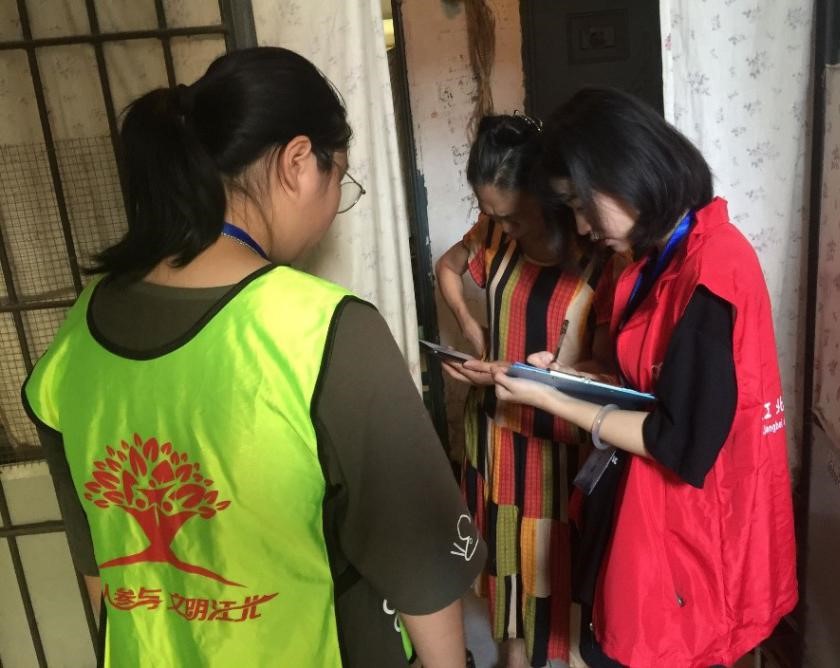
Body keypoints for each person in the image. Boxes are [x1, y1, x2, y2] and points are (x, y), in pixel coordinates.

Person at [22, 47, 484, 668]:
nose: (333, 206)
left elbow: (99, 570)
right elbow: (420, 561)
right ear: (298, 162)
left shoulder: (76, 338)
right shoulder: (324, 330)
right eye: (340, 180)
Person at [491, 88, 798, 668]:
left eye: (582, 204)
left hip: (695, 534)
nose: (582, 227)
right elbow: (654, 381)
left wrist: (551, 400)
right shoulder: (661, 260)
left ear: (627, 174)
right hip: (650, 513)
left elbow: (678, 439)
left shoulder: (713, 268)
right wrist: (568, 376)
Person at [435, 114, 618, 668]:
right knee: (503, 550)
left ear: (544, 195)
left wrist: (542, 376)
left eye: (511, 216)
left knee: (552, 557)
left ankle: (550, 655)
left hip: (559, 438)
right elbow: (447, 268)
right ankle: (512, 656)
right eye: (490, 214)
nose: (501, 228)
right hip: (496, 431)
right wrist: (471, 331)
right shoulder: (492, 234)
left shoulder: (597, 253)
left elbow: (606, 367)